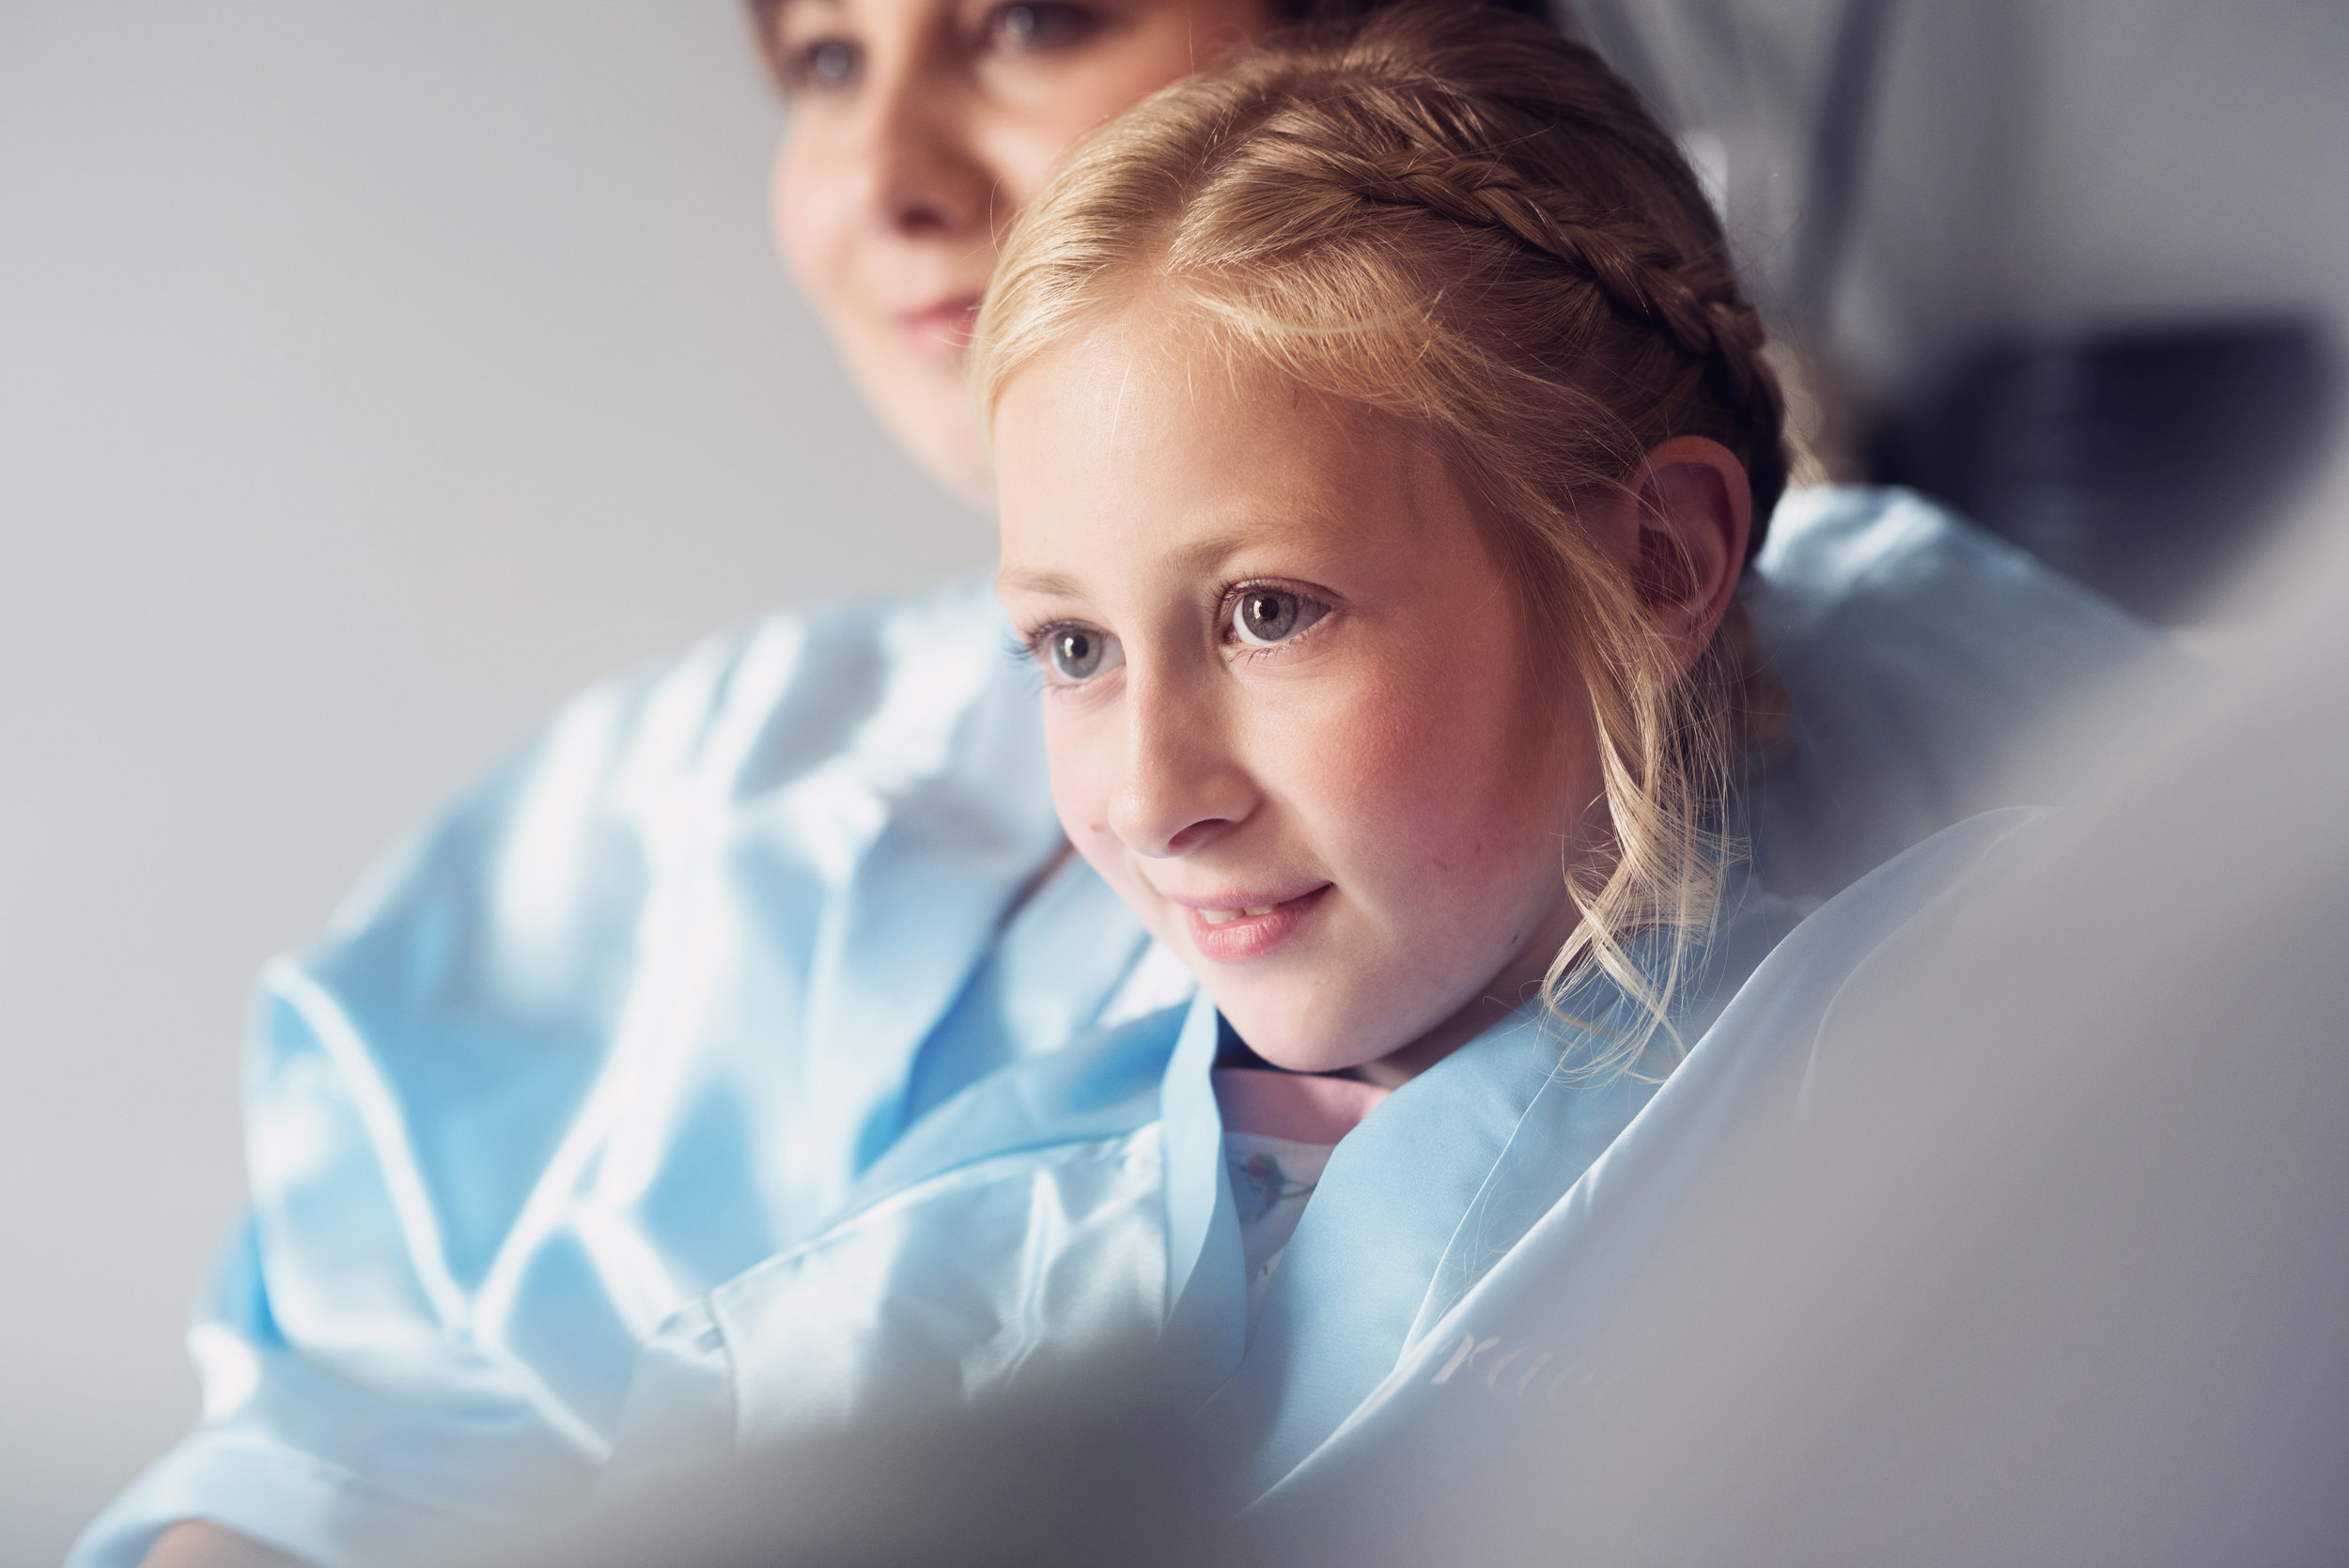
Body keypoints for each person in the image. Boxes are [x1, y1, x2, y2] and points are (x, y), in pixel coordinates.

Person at [77, 2, 2161, 1565]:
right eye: (816, 57)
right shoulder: (748, 875)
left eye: (1027, 14)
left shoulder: (1946, 842)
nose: (888, 167)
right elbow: (325, 1434)